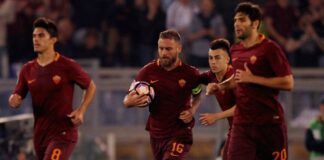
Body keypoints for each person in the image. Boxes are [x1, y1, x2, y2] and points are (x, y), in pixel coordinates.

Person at [8, 17, 96, 160]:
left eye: (41, 35)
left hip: (63, 132)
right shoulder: (27, 69)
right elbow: (18, 94)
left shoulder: (67, 65)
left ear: (53, 40)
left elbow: (90, 86)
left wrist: (81, 110)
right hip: (40, 135)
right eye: (34, 36)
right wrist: (14, 99)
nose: (36, 39)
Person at [224, 2, 293, 159]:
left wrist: (253, 78)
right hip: (242, 124)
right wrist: (221, 86)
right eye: (235, 20)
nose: (237, 24)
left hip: (270, 124)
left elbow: (288, 82)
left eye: (242, 20)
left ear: (255, 23)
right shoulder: (235, 50)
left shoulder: (270, 49)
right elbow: (238, 79)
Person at [123, 29, 202, 160]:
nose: (164, 53)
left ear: (179, 48)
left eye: (168, 49)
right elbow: (127, 98)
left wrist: (192, 110)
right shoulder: (148, 71)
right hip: (157, 133)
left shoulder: (191, 74)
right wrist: (129, 102)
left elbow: (198, 96)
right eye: (161, 48)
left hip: (180, 131)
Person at [198, 39, 236, 160]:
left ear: (227, 59)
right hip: (236, 127)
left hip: (253, 126)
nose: (213, 62)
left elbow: (243, 107)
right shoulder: (211, 76)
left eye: (217, 58)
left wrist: (216, 116)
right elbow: (191, 78)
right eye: (210, 58)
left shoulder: (235, 77)